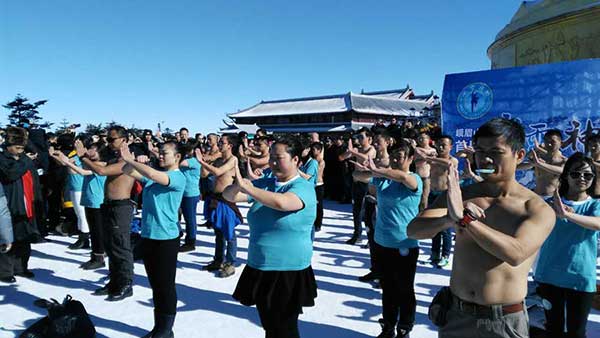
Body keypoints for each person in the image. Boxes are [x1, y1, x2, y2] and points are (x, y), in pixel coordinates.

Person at [407, 118, 555, 338]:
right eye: (479, 150)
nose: (485, 158)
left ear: (519, 155)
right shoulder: (463, 196)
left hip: (503, 323)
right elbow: (414, 230)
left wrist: (465, 221)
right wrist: (448, 219)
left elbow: (516, 253)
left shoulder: (536, 208)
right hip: (456, 315)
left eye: (496, 151)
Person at [224, 136, 317, 338]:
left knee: (283, 329)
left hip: (287, 269)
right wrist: (239, 185)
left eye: (279, 157)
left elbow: (283, 203)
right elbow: (229, 197)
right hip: (259, 264)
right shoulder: (265, 183)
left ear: (296, 161)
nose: (273, 162)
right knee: (270, 326)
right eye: (271, 157)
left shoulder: (303, 187)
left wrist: (249, 188)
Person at [353, 139, 422, 338]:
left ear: (410, 158)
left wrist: (378, 170)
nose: (394, 160)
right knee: (388, 288)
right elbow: (357, 176)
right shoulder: (383, 179)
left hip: (405, 243)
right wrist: (367, 170)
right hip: (382, 242)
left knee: (405, 289)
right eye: (392, 156)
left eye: (399, 157)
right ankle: (388, 326)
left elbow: (402, 176)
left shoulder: (414, 179)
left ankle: (404, 327)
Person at [121, 141, 185, 338]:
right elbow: (126, 170)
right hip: (148, 236)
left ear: (177, 158)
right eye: (159, 153)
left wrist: (134, 161)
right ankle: (159, 328)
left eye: (165, 153)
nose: (160, 156)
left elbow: (152, 174)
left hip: (166, 239)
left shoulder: (177, 177)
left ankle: (166, 330)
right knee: (156, 285)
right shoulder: (153, 177)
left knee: (165, 286)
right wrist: (131, 160)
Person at [534, 152, 600, 338]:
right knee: (553, 329)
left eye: (588, 175)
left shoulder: (594, 204)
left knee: (576, 332)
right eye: (576, 173)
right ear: (565, 176)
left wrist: (567, 215)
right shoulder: (549, 204)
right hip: (549, 276)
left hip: (580, 278)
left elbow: (598, 223)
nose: (582, 178)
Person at [76, 126, 136, 301]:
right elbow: (98, 166)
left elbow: (101, 171)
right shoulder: (113, 158)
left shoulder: (128, 160)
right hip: (109, 205)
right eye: (107, 139)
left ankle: (126, 283)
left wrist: (83, 157)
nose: (108, 143)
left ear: (124, 140)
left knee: (121, 247)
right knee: (110, 246)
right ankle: (114, 281)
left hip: (120, 207)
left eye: (112, 139)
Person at [55, 142, 107, 270]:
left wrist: (69, 162)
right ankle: (95, 255)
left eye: (93, 150)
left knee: (98, 231)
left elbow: (83, 172)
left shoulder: (102, 164)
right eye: (89, 149)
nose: (90, 152)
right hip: (89, 200)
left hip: (97, 202)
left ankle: (99, 256)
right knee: (93, 230)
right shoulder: (90, 162)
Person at [197, 134, 243, 278]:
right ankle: (218, 260)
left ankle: (230, 263)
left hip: (227, 199)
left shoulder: (233, 160)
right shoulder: (218, 160)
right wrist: (203, 162)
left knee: (229, 233)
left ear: (230, 145)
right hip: (215, 198)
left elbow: (217, 172)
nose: (219, 144)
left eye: (222, 142)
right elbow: (204, 174)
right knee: (218, 232)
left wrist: (202, 161)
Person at [0, 127, 41, 283]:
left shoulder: (24, 157)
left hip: (26, 202)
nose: (20, 151)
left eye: (22, 148)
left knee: (24, 236)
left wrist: (25, 137)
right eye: (17, 148)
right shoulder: (3, 158)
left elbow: (36, 151)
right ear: (8, 145)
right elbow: (11, 174)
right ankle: (4, 271)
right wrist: (25, 160)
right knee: (6, 237)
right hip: (7, 202)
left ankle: (21, 267)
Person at [417, 135, 458, 268]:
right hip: (433, 194)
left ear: (450, 147)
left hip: (445, 195)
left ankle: (445, 256)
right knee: (434, 226)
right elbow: (418, 158)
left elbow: (448, 165)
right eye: (439, 144)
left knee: (445, 227)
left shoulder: (452, 160)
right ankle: (434, 254)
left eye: (444, 145)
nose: (440, 147)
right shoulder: (433, 159)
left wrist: (428, 158)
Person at [357, 132, 392, 284]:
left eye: (379, 142)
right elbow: (360, 175)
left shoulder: (390, 160)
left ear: (388, 142)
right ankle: (375, 269)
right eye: (375, 142)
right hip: (370, 199)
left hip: (382, 203)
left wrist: (372, 171)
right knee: (371, 236)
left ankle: (385, 272)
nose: (376, 145)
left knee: (382, 239)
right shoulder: (373, 160)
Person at [338, 128, 376, 244]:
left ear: (369, 139)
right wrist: (349, 151)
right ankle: (357, 234)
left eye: (361, 137)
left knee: (369, 213)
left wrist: (353, 152)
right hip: (356, 182)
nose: (359, 139)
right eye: (358, 137)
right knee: (357, 210)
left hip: (368, 184)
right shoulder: (357, 149)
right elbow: (341, 158)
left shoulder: (371, 149)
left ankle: (371, 238)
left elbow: (367, 158)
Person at [518, 129, 566, 197]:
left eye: (553, 142)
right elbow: (517, 167)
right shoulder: (539, 157)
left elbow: (562, 171)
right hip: (536, 196)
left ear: (561, 143)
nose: (549, 144)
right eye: (546, 141)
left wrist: (540, 164)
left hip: (552, 198)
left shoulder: (563, 161)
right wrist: (533, 163)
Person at [178, 141, 202, 252]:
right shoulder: (189, 159)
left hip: (190, 194)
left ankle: (191, 241)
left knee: (190, 218)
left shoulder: (193, 161)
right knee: (178, 215)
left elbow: (178, 163)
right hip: (183, 192)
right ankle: (179, 232)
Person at [414, 132, 437, 211]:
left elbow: (433, 161)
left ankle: (422, 215)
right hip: (417, 177)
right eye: (419, 138)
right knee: (416, 198)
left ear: (428, 139)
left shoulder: (433, 149)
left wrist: (429, 157)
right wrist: (429, 156)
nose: (420, 140)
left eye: (422, 138)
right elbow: (423, 156)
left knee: (425, 198)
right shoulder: (417, 149)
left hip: (427, 177)